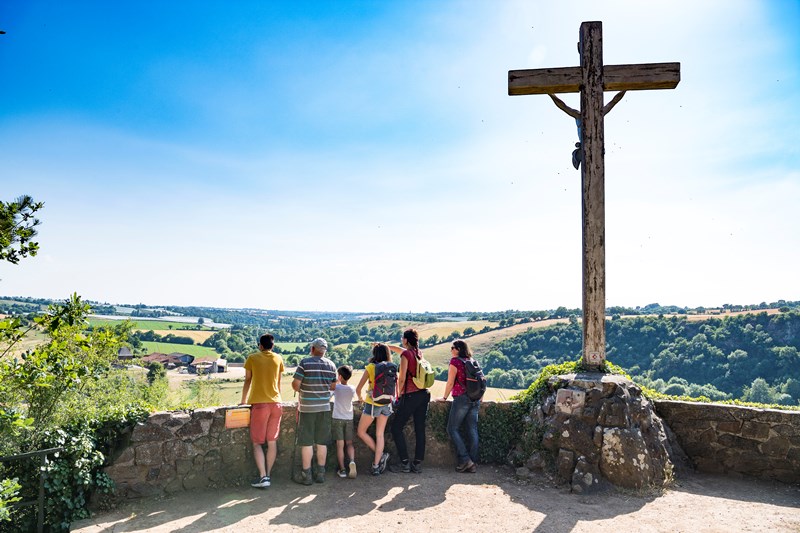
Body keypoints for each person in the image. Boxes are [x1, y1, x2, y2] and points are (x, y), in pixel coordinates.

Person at [240, 334, 285, 488]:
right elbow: (278, 382)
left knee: (257, 443)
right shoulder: (278, 358)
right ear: (272, 346)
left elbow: (248, 380)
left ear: (260, 345)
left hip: (260, 404)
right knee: (272, 442)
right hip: (276, 403)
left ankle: (263, 477)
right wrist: (278, 397)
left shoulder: (252, 358)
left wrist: (243, 400)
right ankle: (269, 475)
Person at [292, 338, 337, 485]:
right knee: (322, 442)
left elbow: (295, 385)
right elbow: (333, 387)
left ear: (312, 349)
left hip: (307, 408)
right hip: (324, 408)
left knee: (307, 442)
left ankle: (307, 474)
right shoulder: (331, 365)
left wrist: (304, 389)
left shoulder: (305, 363)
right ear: (324, 351)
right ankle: (321, 473)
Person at [387, 328, 429, 474]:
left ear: (405, 340)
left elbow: (403, 377)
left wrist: (398, 395)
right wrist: (387, 347)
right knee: (419, 428)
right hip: (423, 394)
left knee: (396, 427)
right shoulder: (418, 353)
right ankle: (417, 463)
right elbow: (402, 351)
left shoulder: (406, 354)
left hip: (410, 395)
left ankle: (404, 462)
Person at [355, 343, 396, 476]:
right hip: (386, 404)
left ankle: (383, 455)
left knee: (361, 432)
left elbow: (358, 388)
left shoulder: (371, 367)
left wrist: (360, 398)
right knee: (380, 435)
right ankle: (376, 465)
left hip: (372, 404)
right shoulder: (391, 367)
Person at [439, 339, 479, 473]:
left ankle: (466, 460)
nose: (451, 350)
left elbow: (450, 382)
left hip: (461, 398)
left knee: (452, 429)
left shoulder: (455, 362)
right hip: (475, 398)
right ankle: (472, 462)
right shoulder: (472, 361)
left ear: (458, 349)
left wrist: (444, 398)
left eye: (452, 347)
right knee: (472, 430)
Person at [332, 365, 357, 479]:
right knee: (349, 443)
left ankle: (342, 470)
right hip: (349, 418)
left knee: (340, 445)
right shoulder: (352, 388)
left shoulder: (336, 388)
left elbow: (328, 395)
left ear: (340, 376)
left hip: (337, 418)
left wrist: (336, 382)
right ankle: (352, 461)